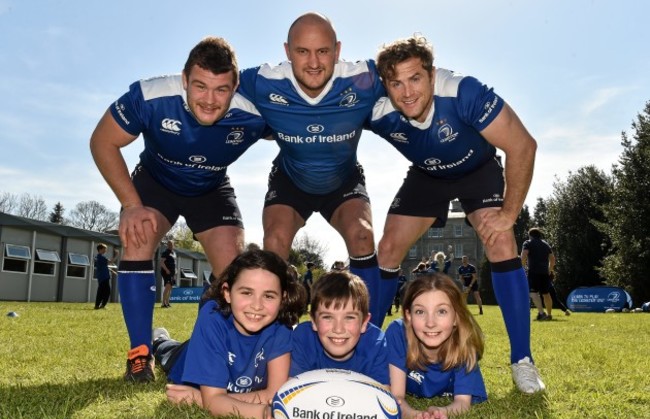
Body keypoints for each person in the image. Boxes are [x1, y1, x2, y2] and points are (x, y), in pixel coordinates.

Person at [369, 35, 545, 393]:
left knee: (500, 242)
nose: (406, 93)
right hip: (427, 176)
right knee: (387, 249)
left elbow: (523, 145)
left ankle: (522, 360)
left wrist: (509, 214)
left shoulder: (464, 92)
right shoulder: (374, 104)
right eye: (395, 83)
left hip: (476, 171)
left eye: (415, 79)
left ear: (432, 76)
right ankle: (368, 354)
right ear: (384, 84)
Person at [89, 37, 269, 383]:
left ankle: (201, 351)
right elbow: (102, 140)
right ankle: (140, 355)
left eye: (221, 90)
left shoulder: (254, 111)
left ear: (235, 87)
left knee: (234, 269)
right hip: (157, 182)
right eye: (200, 87)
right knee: (138, 238)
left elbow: (296, 124)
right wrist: (130, 205)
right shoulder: (152, 96)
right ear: (184, 79)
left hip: (211, 186)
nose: (210, 100)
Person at [237, 12, 387, 327]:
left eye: (323, 51)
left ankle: (368, 335)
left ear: (338, 49)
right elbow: (210, 84)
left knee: (363, 236)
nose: (314, 62)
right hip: (291, 178)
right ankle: (275, 334)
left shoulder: (366, 79)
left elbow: (417, 77)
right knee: (275, 239)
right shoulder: (261, 81)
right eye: (302, 51)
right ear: (287, 51)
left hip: (343, 180)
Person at [152, 249, 306, 419]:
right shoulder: (212, 316)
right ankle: (160, 340)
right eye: (246, 292)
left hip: (216, 381)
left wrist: (201, 399)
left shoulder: (281, 325)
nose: (257, 305)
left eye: (268, 296)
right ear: (227, 292)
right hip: (186, 358)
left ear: (283, 299)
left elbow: (274, 394)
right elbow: (217, 401)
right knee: (168, 352)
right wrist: (263, 413)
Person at [385, 273, 487, 419]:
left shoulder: (464, 344)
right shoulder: (398, 333)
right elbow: (396, 396)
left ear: (456, 317)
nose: (430, 323)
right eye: (420, 312)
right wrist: (415, 416)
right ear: (408, 316)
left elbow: (462, 403)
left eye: (441, 311)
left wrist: (440, 413)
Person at [291, 270, 389, 384]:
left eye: (349, 318)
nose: (338, 329)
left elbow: (383, 393)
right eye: (327, 317)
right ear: (313, 321)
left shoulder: (375, 343)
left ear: (364, 323)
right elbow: (291, 390)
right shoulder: (303, 339)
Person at [521, 228, 556, 321]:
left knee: (533, 293)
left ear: (530, 235)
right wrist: (550, 269)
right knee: (546, 294)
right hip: (544, 272)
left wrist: (522, 268)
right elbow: (552, 259)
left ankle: (541, 313)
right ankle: (549, 314)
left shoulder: (528, 243)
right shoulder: (545, 244)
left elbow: (524, 256)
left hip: (533, 272)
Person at [94, 244, 119, 310]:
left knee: (102, 291)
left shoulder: (99, 257)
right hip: (103, 277)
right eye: (104, 249)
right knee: (106, 292)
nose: (105, 250)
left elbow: (103, 266)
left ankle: (98, 305)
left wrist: (111, 270)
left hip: (103, 277)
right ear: (100, 249)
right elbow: (110, 262)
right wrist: (116, 255)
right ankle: (101, 305)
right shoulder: (101, 257)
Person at [160, 240, 176, 308]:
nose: (171, 246)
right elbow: (161, 263)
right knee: (167, 287)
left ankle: (167, 302)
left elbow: (174, 262)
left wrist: (175, 270)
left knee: (170, 288)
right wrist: (166, 270)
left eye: (172, 244)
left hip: (172, 272)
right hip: (166, 272)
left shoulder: (173, 253)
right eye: (169, 244)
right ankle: (163, 303)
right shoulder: (165, 253)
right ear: (167, 245)